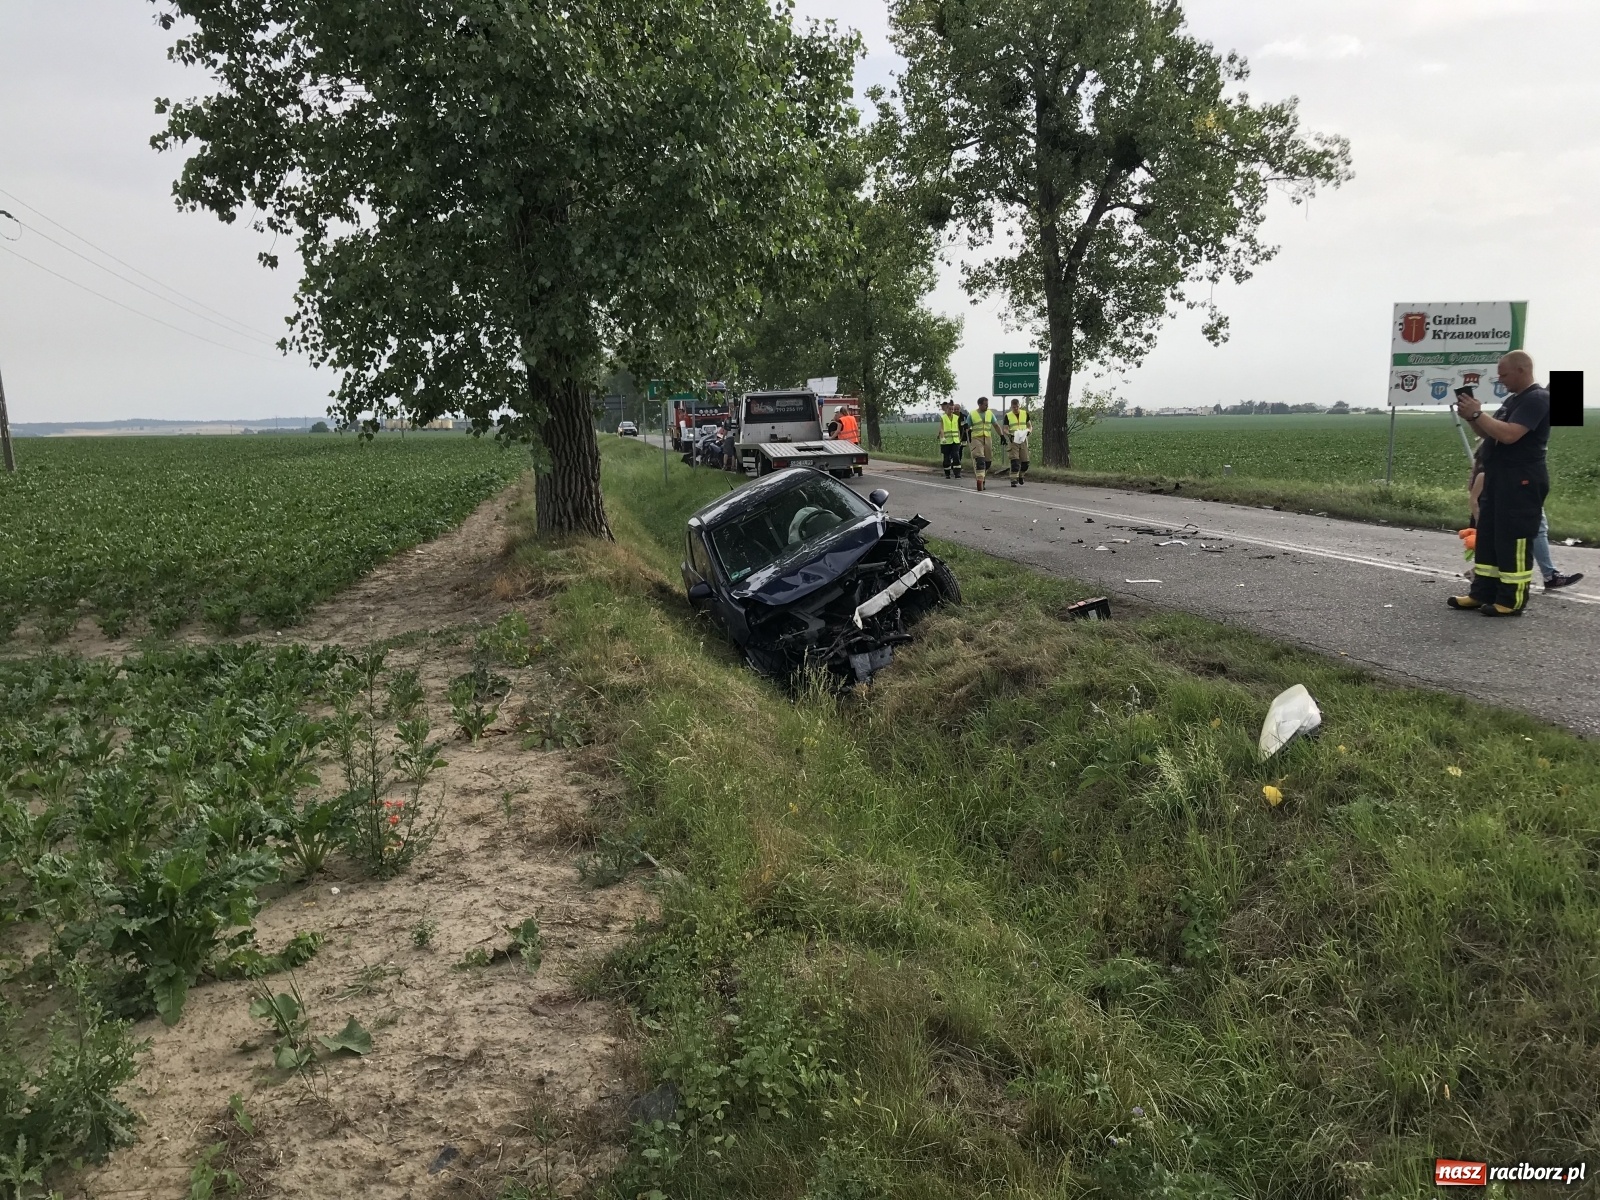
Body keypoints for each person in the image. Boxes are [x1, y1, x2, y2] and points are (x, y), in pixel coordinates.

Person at [1449, 351, 1550, 615]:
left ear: (1521, 370)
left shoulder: (1537, 398)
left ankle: (1511, 599)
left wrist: (1478, 413)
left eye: (1504, 374)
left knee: (1513, 538)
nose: (1500, 380)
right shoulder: (1512, 401)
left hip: (1521, 479)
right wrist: (1472, 417)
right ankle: (1482, 593)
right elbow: (1490, 433)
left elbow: (1509, 435)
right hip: (1498, 477)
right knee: (1489, 536)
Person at [969, 397, 1000, 491]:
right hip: (976, 438)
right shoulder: (972, 414)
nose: (987, 406)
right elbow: (967, 426)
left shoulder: (990, 413)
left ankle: (982, 478)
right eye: (985, 405)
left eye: (987, 404)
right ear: (980, 405)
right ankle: (980, 480)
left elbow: (996, 425)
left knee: (988, 462)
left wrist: (1001, 435)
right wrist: (966, 428)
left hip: (987, 438)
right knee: (980, 459)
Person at [1005, 398, 1031, 486]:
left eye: (1017, 407)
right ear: (1011, 407)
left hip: (1023, 439)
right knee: (1015, 461)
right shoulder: (1008, 416)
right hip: (1013, 440)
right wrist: (1009, 434)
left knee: (1025, 462)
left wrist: (1029, 431)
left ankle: (1021, 475)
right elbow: (1005, 429)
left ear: (1019, 405)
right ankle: (1013, 479)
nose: (1015, 408)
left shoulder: (1025, 414)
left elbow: (1029, 426)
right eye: (1013, 407)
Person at [938, 400, 963, 478]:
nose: (951, 411)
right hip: (946, 441)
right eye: (950, 409)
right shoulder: (943, 417)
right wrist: (943, 437)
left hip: (955, 440)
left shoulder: (956, 417)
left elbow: (958, 429)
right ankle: (947, 473)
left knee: (956, 455)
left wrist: (959, 439)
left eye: (953, 409)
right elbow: (941, 429)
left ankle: (957, 473)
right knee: (946, 457)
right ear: (947, 408)